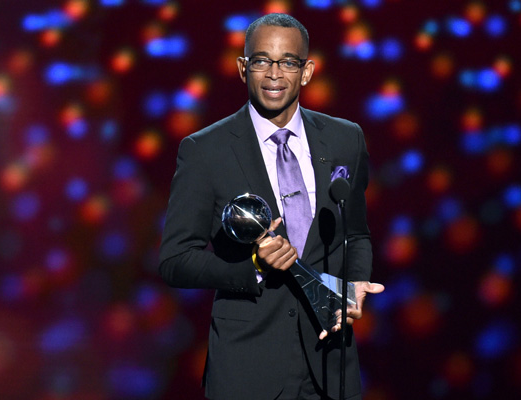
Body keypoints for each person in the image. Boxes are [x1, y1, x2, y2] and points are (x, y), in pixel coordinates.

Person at [159, 13, 384, 400]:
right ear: (243, 68)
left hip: (329, 363)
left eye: (288, 62)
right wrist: (254, 268)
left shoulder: (346, 139)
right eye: (261, 60)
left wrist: (352, 286)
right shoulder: (205, 151)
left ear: (307, 71)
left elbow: (357, 234)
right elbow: (175, 260)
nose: (274, 74)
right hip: (248, 367)